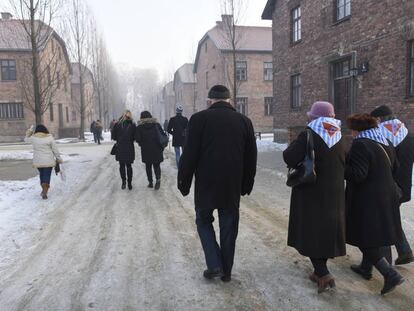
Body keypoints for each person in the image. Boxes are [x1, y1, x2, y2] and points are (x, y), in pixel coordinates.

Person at [178, 85, 257, 282]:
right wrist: (247, 183)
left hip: (206, 184)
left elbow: (189, 154)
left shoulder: (199, 119)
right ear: (229, 100)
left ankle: (214, 264)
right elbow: (251, 157)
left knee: (203, 221)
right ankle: (226, 271)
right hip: (231, 185)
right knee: (229, 227)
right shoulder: (244, 121)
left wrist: (184, 181)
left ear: (210, 100)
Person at [282, 101, 346, 293]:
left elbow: (289, 157)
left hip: (311, 191)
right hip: (334, 191)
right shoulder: (340, 135)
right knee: (325, 231)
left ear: (314, 117)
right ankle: (319, 272)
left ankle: (323, 273)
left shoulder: (309, 133)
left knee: (310, 230)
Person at [345, 113, 404, 295]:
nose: (351, 133)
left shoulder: (361, 144)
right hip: (387, 196)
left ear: (358, 129)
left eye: (352, 129)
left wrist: (342, 165)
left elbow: (358, 175)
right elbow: (396, 168)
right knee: (372, 233)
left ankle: (390, 274)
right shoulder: (385, 141)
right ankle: (365, 267)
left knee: (365, 237)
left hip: (368, 199)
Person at [371, 105, 414, 265]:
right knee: (391, 217)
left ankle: (385, 264)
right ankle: (405, 251)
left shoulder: (380, 136)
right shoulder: (407, 134)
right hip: (404, 187)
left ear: (379, 119)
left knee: (383, 221)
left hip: (387, 187)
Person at [24, 125, 63, 199]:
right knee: (47, 175)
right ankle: (44, 191)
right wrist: (58, 159)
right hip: (48, 161)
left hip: (38, 161)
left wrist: (30, 131)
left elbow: (26, 140)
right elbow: (55, 150)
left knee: (42, 175)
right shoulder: (49, 138)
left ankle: (43, 189)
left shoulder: (33, 138)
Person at [136, 111, 165, 190]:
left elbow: (138, 139)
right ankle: (158, 180)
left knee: (148, 166)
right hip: (157, 149)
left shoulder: (139, 127)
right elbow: (163, 135)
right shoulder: (157, 125)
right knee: (156, 165)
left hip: (146, 150)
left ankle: (150, 182)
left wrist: (141, 143)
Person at [112, 111, 136, 190]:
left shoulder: (117, 124)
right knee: (129, 166)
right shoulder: (132, 125)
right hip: (129, 147)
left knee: (121, 165)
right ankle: (129, 183)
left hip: (120, 147)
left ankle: (123, 182)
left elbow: (114, 137)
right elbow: (135, 137)